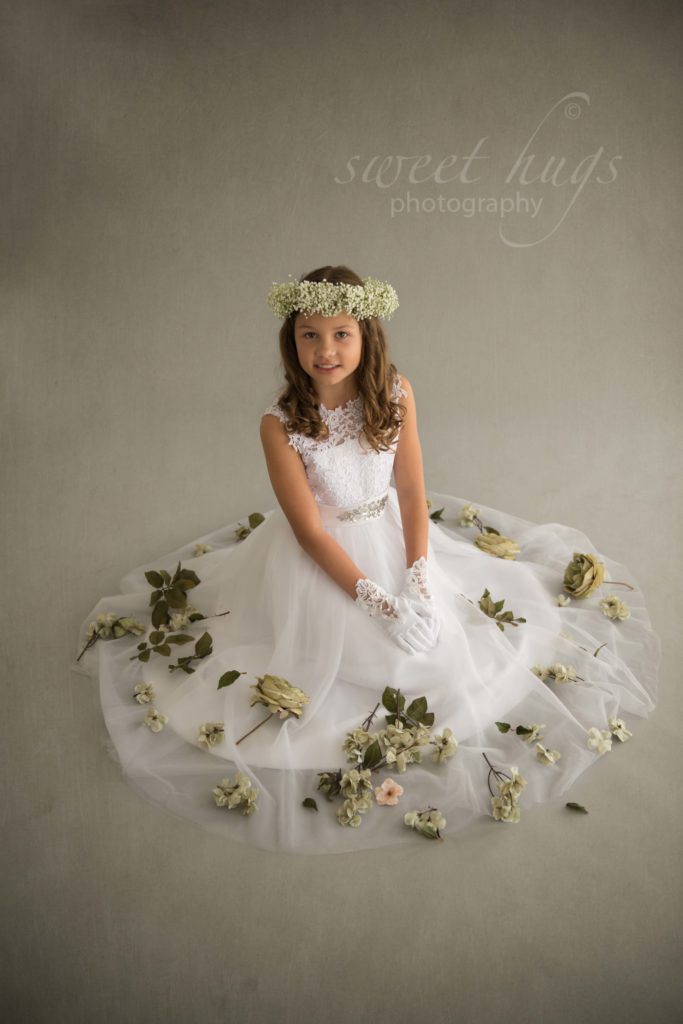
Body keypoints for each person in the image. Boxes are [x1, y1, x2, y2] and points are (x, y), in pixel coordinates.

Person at [72, 265, 661, 854]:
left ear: (366, 335)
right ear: (291, 340)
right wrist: (380, 603)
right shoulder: (279, 425)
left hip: (390, 533)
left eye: (341, 334)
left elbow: (411, 490)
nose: (325, 350)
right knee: (383, 662)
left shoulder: (396, 393)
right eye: (309, 334)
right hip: (321, 558)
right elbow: (308, 532)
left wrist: (417, 578)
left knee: (442, 643)